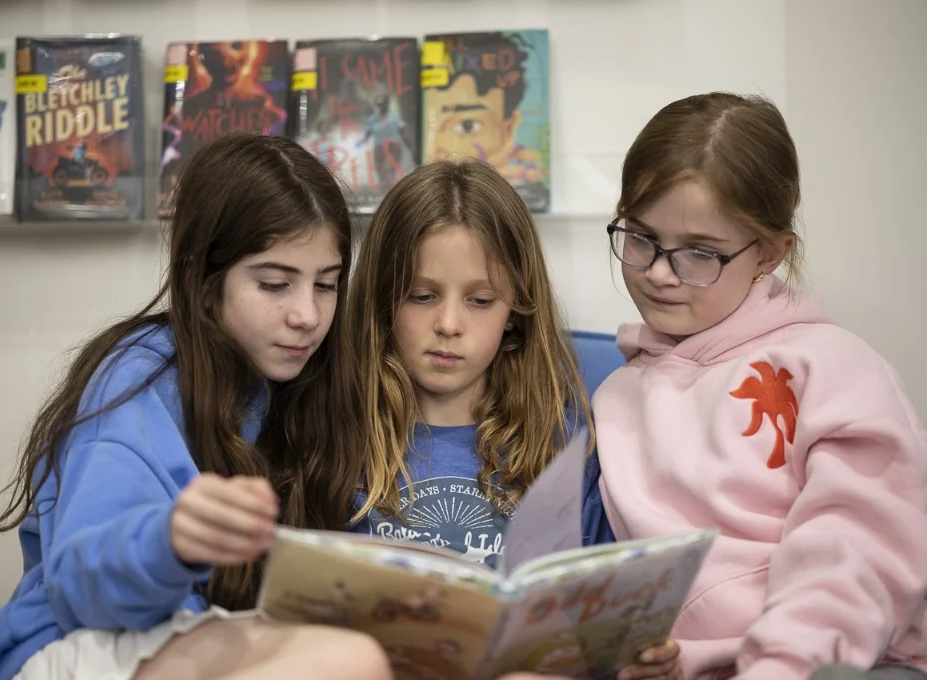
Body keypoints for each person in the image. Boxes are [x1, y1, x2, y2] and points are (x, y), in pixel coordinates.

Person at [0, 133, 389, 680]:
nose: (307, 315)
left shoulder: (312, 384)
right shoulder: (136, 377)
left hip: (194, 634)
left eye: (327, 285)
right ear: (201, 278)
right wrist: (169, 541)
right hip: (78, 644)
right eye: (274, 284)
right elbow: (84, 590)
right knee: (348, 661)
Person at [591, 92, 927, 679]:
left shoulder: (832, 369)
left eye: (700, 253)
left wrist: (775, 667)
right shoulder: (616, 396)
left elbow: (858, 554)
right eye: (641, 238)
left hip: (844, 663)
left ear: (770, 253)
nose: (659, 272)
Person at [346, 157, 681, 680]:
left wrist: (636, 659)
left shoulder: (569, 443)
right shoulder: (337, 431)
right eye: (421, 295)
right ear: (381, 300)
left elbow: (601, 615)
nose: (449, 324)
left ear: (515, 311)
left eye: (481, 300)